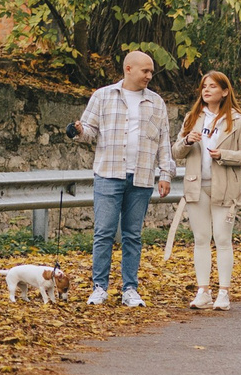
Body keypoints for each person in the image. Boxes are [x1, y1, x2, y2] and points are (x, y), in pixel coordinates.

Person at [73, 49, 175, 306]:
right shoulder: (103, 95)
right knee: (104, 233)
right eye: (145, 71)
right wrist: (78, 131)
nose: (149, 76)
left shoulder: (156, 102)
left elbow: (164, 141)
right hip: (109, 174)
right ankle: (99, 287)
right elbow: (89, 131)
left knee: (133, 236)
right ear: (128, 69)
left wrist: (165, 174)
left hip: (141, 177)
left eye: (151, 72)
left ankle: (130, 288)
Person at [172, 69, 241, 310]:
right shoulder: (192, 118)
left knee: (222, 238)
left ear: (225, 91)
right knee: (200, 239)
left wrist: (224, 155)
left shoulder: (239, 121)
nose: (206, 90)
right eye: (204, 86)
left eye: (212, 86)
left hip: (225, 188)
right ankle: (203, 292)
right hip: (196, 185)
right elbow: (176, 152)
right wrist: (187, 141)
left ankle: (224, 293)